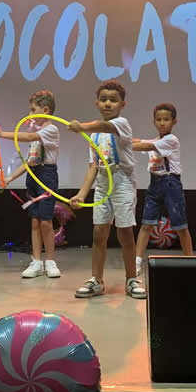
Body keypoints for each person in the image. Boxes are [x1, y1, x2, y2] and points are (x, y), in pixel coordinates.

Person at [68, 80, 145, 299]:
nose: (108, 104)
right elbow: (93, 165)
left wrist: (82, 126)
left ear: (122, 104)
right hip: (103, 183)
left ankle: (131, 279)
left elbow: (106, 127)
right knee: (98, 233)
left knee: (125, 233)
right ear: (97, 103)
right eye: (103, 100)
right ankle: (97, 279)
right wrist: (81, 194)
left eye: (113, 100)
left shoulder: (121, 124)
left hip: (122, 182)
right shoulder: (94, 136)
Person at [0, 90, 62, 279]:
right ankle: (36, 261)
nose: (29, 114)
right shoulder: (37, 135)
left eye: (33, 110)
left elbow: (29, 138)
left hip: (46, 176)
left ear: (45, 110)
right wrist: (10, 178)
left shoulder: (50, 130)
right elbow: (29, 162)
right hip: (33, 176)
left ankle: (50, 261)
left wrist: (2, 134)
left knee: (46, 221)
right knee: (35, 221)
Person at [132, 103, 192, 273]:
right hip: (155, 184)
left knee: (180, 226)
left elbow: (145, 146)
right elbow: (139, 141)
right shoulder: (156, 140)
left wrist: (123, 146)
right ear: (154, 121)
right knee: (146, 224)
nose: (162, 123)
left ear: (174, 122)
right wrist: (119, 140)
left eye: (166, 119)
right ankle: (136, 262)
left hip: (171, 184)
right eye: (158, 119)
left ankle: (191, 261)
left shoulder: (171, 140)